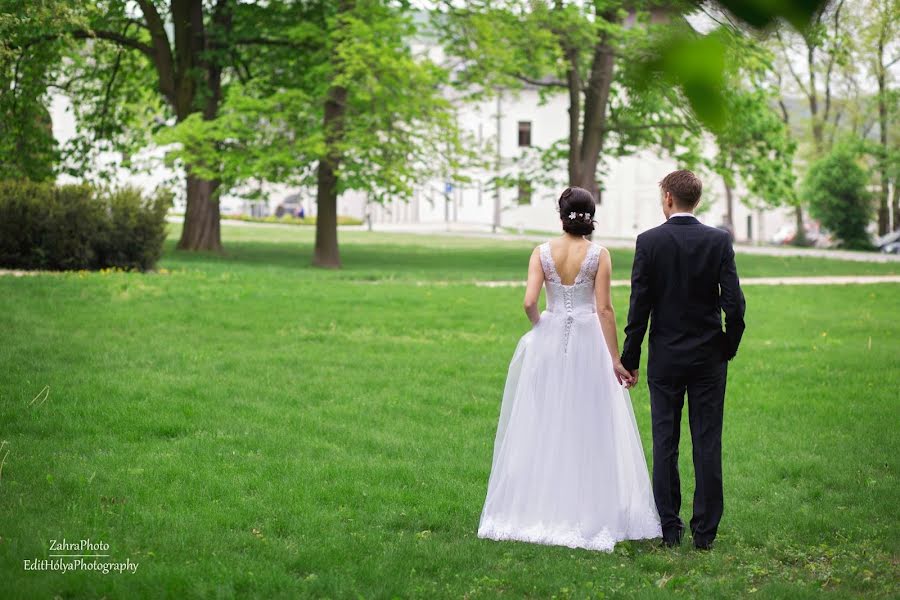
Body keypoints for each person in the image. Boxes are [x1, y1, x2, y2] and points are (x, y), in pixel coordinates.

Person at [477, 186, 662, 552]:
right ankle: (587, 507)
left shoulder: (542, 253)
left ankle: (541, 504)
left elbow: (529, 301)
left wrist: (540, 325)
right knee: (589, 424)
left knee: (546, 422)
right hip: (588, 342)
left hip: (548, 341)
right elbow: (605, 310)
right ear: (590, 216)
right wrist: (614, 358)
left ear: (561, 214)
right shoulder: (599, 255)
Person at [621, 170, 746, 551]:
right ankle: (705, 533)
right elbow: (734, 304)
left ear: (669, 199)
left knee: (665, 441)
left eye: (662, 197)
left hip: (666, 357)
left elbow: (639, 306)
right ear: (696, 200)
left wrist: (631, 356)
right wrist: (729, 344)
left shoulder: (649, 242)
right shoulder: (718, 241)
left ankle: (669, 528)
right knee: (707, 442)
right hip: (709, 356)